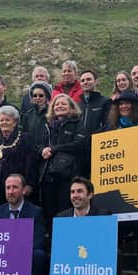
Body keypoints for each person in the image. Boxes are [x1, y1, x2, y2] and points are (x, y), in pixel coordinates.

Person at [104, 90, 138, 271]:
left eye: (127, 103)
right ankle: (118, 254)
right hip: (117, 176)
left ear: (134, 105)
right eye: (120, 104)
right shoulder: (110, 127)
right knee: (117, 218)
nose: (123, 106)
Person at [38, 94, 87, 223]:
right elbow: (40, 145)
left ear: (71, 108)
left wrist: (54, 149)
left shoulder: (77, 123)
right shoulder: (47, 126)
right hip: (48, 176)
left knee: (65, 212)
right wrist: (42, 150)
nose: (59, 106)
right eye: (56, 104)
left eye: (63, 104)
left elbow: (79, 144)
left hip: (68, 176)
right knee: (50, 214)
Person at [0, 174, 46, 275]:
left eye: (15, 187)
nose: (10, 191)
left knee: (39, 255)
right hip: (1, 255)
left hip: (25, 253)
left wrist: (17, 252)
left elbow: (38, 241)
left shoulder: (36, 212)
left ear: (24, 190)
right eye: (8, 188)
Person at [0, 105, 37, 207]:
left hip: (14, 189)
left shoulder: (25, 139)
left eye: (7, 120)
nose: (4, 122)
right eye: (1, 120)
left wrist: (29, 184)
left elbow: (31, 163)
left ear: (14, 122)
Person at [20, 81, 52, 160]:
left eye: (41, 95)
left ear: (46, 96)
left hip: (47, 154)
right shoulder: (28, 115)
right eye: (35, 95)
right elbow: (24, 134)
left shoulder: (53, 113)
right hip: (31, 154)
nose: (38, 98)